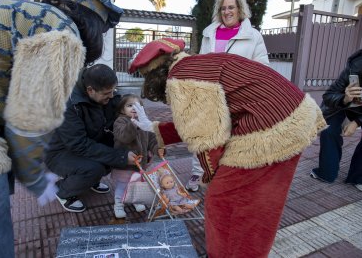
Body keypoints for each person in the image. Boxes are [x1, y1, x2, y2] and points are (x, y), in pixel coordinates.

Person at [0, 0, 123, 256]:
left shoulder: (36, 16)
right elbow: (28, 120)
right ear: (93, 23)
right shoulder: (62, 34)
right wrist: (34, 178)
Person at [128, 38, 326, 257]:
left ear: (154, 74)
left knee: (224, 202)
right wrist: (154, 128)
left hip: (271, 129)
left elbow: (207, 139)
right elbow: (200, 119)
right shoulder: (196, 65)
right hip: (293, 116)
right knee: (261, 204)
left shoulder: (182, 77)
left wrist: (211, 177)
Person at [186, 0, 270, 192]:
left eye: (231, 7)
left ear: (240, 9)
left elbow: (263, 67)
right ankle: (199, 172)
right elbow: (201, 62)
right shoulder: (209, 32)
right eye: (223, 8)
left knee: (232, 139)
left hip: (237, 96)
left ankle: (225, 175)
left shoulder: (253, 35)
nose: (227, 11)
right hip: (210, 94)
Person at [45, 65, 137, 213]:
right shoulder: (68, 106)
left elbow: (122, 109)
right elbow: (79, 145)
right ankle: (62, 191)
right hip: (60, 153)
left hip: (88, 142)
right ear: (90, 90)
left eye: (114, 90)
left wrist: (136, 115)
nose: (112, 96)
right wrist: (120, 156)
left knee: (115, 153)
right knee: (97, 167)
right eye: (107, 93)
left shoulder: (106, 95)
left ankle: (90, 181)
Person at [311, 49, 362, 191]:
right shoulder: (355, 67)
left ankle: (357, 177)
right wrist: (345, 98)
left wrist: (356, 122)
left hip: (359, 112)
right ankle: (326, 172)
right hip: (342, 105)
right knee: (329, 130)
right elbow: (328, 96)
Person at [111, 94, 161, 218]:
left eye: (138, 106)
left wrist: (157, 148)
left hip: (140, 163)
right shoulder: (120, 121)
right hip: (125, 164)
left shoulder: (143, 121)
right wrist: (133, 124)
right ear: (122, 110)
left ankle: (135, 200)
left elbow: (152, 139)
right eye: (130, 105)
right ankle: (118, 204)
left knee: (137, 183)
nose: (134, 108)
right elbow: (124, 137)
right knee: (123, 185)